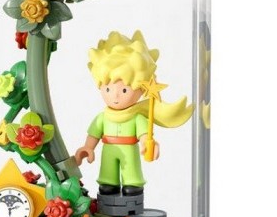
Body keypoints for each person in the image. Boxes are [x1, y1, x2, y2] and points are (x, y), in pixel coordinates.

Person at [74, 30, 193, 195]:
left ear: (141, 88)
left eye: (124, 90)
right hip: (108, 150)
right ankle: (108, 183)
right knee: (107, 181)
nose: (115, 96)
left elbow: (144, 136)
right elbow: (94, 135)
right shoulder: (103, 118)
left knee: (131, 175)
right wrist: (88, 147)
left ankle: (132, 183)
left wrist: (148, 144)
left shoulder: (137, 118)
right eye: (108, 89)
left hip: (130, 150)